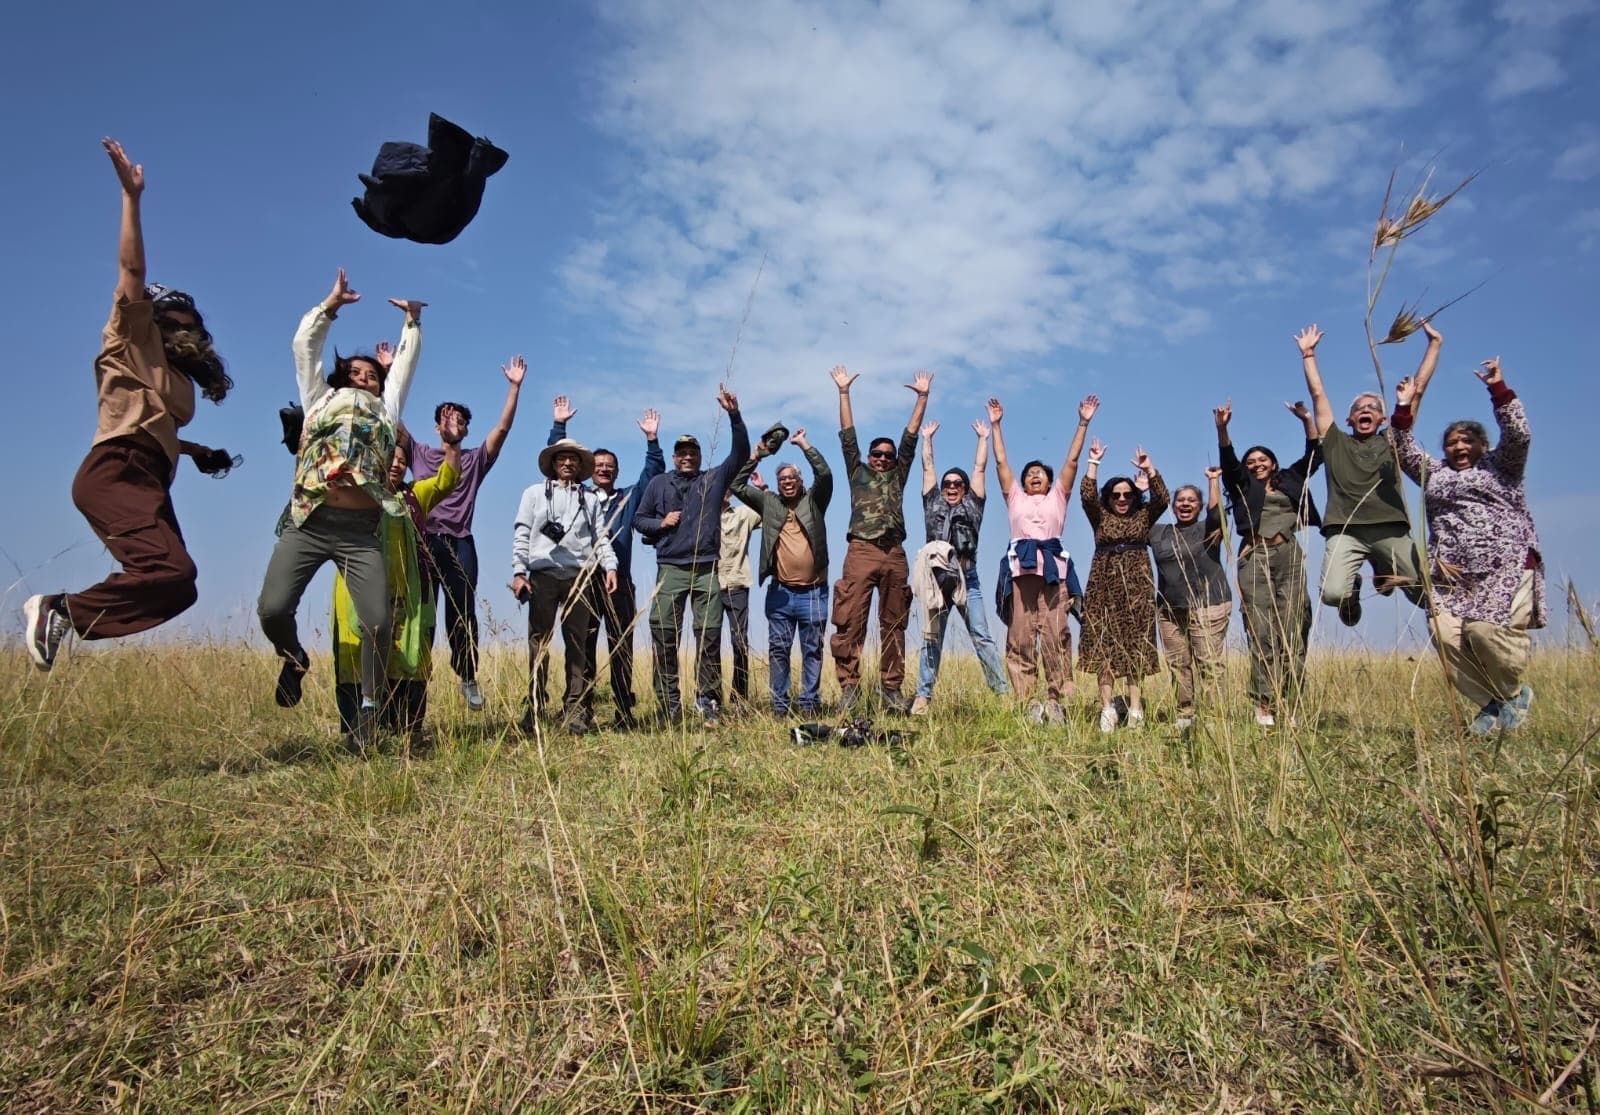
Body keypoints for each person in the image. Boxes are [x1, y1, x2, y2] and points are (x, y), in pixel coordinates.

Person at [25, 140, 237, 671]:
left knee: (180, 586)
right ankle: (57, 609)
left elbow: (154, 424)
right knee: (168, 571)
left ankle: (65, 616)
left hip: (150, 476)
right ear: (155, 320)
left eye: (193, 325)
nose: (186, 331)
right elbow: (132, 271)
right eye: (175, 322)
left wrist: (195, 451)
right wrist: (131, 198)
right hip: (116, 469)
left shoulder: (175, 375)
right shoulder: (130, 338)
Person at [257, 270, 424, 745]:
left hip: (359, 530)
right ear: (339, 378)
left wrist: (412, 322)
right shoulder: (318, 399)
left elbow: (404, 369)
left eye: (372, 375)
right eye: (356, 372)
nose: (365, 378)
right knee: (272, 609)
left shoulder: (386, 410)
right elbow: (304, 348)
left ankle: (368, 709)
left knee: (378, 622)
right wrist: (328, 308)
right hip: (309, 522)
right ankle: (293, 658)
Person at [1390, 355, 1543, 733]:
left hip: (1504, 567)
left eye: (1467, 440)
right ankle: (1495, 702)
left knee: (1483, 632)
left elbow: (1520, 435)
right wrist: (1404, 406)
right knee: (1445, 636)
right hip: (1451, 574)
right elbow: (1400, 448)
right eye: (1451, 442)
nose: (1459, 446)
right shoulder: (1435, 474)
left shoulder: (1502, 466)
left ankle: (1513, 693)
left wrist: (1498, 390)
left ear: (1483, 445)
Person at [1296, 321, 1438, 624]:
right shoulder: (1335, 442)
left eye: (1373, 407)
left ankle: (1384, 567)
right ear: (1349, 419)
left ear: (1382, 418)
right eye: (1359, 407)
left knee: (1425, 593)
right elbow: (1318, 395)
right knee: (1332, 594)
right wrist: (1308, 355)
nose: (1366, 409)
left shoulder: (1393, 441)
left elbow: (1417, 392)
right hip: (1345, 529)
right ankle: (1353, 590)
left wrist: (1434, 346)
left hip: (1390, 529)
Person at [408, 355, 527, 711]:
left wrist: (514, 387)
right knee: (421, 613)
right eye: (447, 419)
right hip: (424, 540)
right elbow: (391, 418)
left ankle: (467, 675)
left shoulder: (474, 460)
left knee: (462, 610)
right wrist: (386, 373)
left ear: (467, 430)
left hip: (460, 541)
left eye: (460, 420)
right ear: (436, 427)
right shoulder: (419, 453)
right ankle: (414, 681)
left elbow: (502, 430)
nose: (453, 424)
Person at [330, 427, 459, 749]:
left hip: (408, 597)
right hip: (357, 591)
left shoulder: (414, 495)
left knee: (409, 657)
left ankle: (406, 732)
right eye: (390, 458)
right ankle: (357, 734)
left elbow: (447, 480)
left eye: (402, 460)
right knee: (357, 656)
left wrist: (453, 443)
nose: (397, 464)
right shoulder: (355, 493)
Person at [633, 387, 750, 725]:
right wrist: (661, 523)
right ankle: (669, 704)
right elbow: (639, 520)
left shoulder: (712, 479)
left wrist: (734, 415)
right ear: (674, 457)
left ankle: (707, 700)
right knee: (665, 635)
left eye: (692, 453)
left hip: (706, 569)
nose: (687, 457)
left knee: (709, 636)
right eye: (682, 453)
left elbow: (740, 453)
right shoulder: (658, 484)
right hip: (670, 569)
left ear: (699, 456)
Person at [548, 398, 665, 727]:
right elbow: (558, 464)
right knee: (581, 646)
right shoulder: (578, 495)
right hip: (583, 581)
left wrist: (652, 440)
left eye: (609, 466)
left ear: (617, 471)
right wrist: (559, 426)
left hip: (620, 583)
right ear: (590, 470)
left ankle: (624, 711)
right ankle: (579, 709)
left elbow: (652, 475)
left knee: (621, 647)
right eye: (598, 465)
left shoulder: (628, 498)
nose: (603, 469)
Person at [829, 366, 931, 713]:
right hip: (861, 550)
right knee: (850, 621)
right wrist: (844, 392)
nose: (884, 459)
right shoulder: (857, 473)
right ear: (869, 457)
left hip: (894, 554)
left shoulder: (898, 475)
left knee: (895, 624)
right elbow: (847, 435)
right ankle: (850, 689)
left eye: (889, 455)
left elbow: (910, 438)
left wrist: (922, 398)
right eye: (878, 454)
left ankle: (891, 690)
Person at [988, 395, 1094, 724]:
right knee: (1020, 637)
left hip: (1053, 574)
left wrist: (1083, 423)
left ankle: (1055, 699)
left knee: (1055, 635)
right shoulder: (1015, 498)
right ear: (1022, 483)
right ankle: (1028, 702)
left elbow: (1072, 462)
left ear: (1049, 481)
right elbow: (1001, 463)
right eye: (1030, 474)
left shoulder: (1058, 497)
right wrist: (996, 426)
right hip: (1021, 574)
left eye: (1041, 473)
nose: (1035, 476)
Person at [1215, 400, 1321, 726]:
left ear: (1273, 463)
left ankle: (1291, 702)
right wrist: (1222, 428)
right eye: (1251, 461)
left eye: (1262, 459)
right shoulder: (1242, 485)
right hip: (1255, 556)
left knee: (1293, 629)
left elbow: (1315, 454)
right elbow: (1228, 461)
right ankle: (1264, 704)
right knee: (1261, 632)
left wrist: (1306, 419)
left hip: (1288, 554)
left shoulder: (1291, 478)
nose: (1256, 464)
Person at [511, 439, 617, 734]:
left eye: (573, 459)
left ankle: (575, 710)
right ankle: (534, 708)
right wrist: (519, 571)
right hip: (542, 575)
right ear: (553, 463)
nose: (568, 463)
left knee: (577, 644)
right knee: (538, 643)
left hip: (579, 576)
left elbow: (601, 537)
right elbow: (522, 533)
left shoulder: (590, 499)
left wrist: (610, 566)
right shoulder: (534, 494)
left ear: (581, 466)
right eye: (562, 458)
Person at [909, 418, 1010, 715]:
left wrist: (983, 438)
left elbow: (979, 468)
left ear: (965, 489)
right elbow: (928, 467)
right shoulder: (933, 503)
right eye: (948, 484)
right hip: (937, 582)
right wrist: (927, 439)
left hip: (968, 579)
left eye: (957, 484)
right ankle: (923, 697)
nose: (951, 487)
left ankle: (1002, 693)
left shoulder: (972, 505)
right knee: (931, 639)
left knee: (981, 636)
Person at [731, 428, 833, 717]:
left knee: (812, 650)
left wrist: (803, 445)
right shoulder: (770, 503)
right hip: (781, 592)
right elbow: (737, 485)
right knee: (778, 650)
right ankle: (779, 707)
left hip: (814, 591)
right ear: (778, 485)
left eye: (792, 478)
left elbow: (825, 474)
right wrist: (757, 455)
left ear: (800, 481)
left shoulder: (814, 501)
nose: (787, 482)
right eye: (782, 480)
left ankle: (809, 705)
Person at [1079, 437, 1168, 733]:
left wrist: (1150, 469)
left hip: (1138, 589)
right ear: (1108, 497)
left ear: (1134, 497)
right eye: (1116, 494)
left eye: (1127, 494)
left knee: (1135, 647)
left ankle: (1136, 709)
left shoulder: (1143, 515)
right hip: (1102, 587)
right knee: (1104, 645)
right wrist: (1093, 462)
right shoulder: (1100, 517)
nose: (1121, 499)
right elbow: (1087, 495)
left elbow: (1162, 499)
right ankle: (1107, 709)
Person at [1150, 468, 1232, 730]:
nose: (1185, 504)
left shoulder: (1208, 528)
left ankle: (1215, 718)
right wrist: (1146, 484)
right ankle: (1185, 714)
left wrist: (1213, 481)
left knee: (1208, 662)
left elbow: (1216, 514)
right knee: (1178, 663)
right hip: (1169, 609)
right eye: (1180, 500)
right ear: (1173, 506)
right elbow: (1141, 518)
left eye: (1191, 500)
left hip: (1208, 604)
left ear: (1199, 506)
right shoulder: (1159, 532)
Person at [718, 475, 765, 706]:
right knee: (708, 643)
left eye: (728, 488)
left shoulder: (744, 514)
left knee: (739, 643)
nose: (724, 491)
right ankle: (710, 700)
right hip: (709, 586)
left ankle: (739, 700)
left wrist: (761, 489)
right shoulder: (701, 515)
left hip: (737, 585)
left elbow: (771, 511)